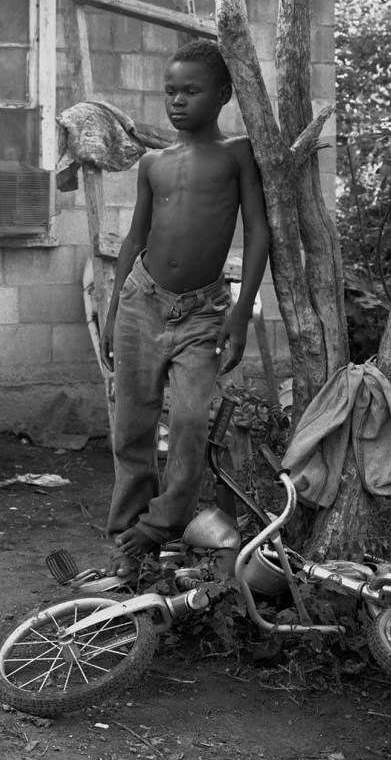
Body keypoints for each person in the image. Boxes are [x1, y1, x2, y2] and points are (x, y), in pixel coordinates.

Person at [102, 39, 270, 577]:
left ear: (221, 95)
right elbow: (133, 240)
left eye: (191, 91)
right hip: (141, 302)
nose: (177, 101)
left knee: (193, 417)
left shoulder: (237, 153)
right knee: (132, 424)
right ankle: (129, 532)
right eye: (170, 91)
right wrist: (112, 310)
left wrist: (240, 312)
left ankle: (164, 521)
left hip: (202, 312)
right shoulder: (153, 162)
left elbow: (259, 231)